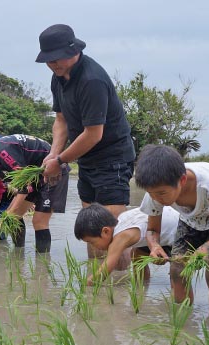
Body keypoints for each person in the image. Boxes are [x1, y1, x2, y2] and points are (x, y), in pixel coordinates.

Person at [35, 24, 135, 222]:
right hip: (87, 160)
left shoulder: (92, 80)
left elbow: (93, 134)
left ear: (74, 50)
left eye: (56, 58)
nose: (53, 64)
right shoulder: (59, 77)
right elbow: (61, 120)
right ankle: (95, 256)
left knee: (110, 228)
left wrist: (61, 161)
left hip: (112, 160)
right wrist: (54, 153)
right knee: (91, 226)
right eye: (48, 60)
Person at [135, 144, 209, 310]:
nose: (157, 198)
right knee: (177, 269)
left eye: (161, 193)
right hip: (189, 219)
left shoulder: (208, 185)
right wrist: (154, 246)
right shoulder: (155, 193)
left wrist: (206, 248)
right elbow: (152, 230)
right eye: (152, 193)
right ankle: (183, 319)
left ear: (182, 181)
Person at [0, 129, 69, 253]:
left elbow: (24, 185)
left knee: (39, 221)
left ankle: (42, 265)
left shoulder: (3, 153)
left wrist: (10, 211)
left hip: (53, 170)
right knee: (14, 217)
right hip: (34, 177)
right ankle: (19, 255)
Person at [74, 203, 180, 282]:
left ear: (105, 231)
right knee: (136, 254)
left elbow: (105, 270)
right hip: (166, 227)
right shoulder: (121, 220)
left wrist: (86, 284)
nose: (93, 247)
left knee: (178, 271)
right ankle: (141, 287)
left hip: (178, 235)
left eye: (92, 242)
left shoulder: (121, 236)